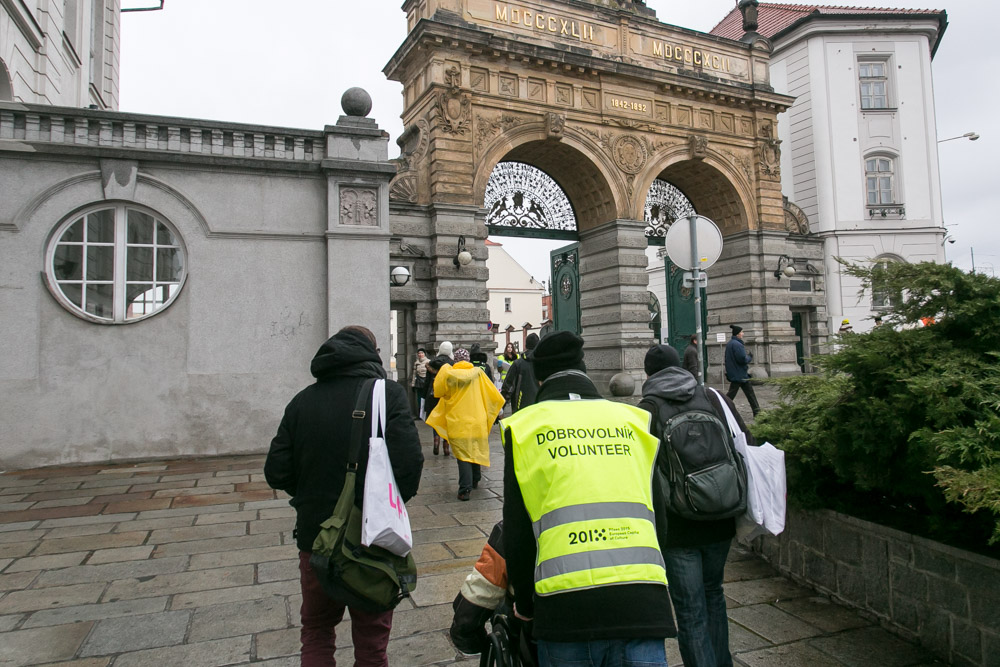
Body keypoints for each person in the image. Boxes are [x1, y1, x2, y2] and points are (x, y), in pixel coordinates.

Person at [502, 331, 676, 667]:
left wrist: (524, 605)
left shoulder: (525, 429)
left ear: (538, 377)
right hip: (642, 601)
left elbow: (519, 532)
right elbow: (660, 516)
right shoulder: (633, 421)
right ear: (584, 368)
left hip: (566, 609)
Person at [264, 325, 424, 667]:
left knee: (317, 631)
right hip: (373, 539)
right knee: (371, 643)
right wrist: (382, 504)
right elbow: (410, 466)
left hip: (316, 538)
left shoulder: (302, 401)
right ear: (373, 353)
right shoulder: (387, 395)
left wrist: (314, 495)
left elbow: (276, 471)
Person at [639, 344, 754, 667]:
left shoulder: (646, 408)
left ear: (648, 374)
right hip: (721, 515)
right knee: (714, 594)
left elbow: (642, 472)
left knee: (689, 610)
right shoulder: (715, 398)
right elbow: (746, 443)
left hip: (678, 526)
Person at [427, 347, 504, 500]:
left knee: (463, 454)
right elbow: (493, 394)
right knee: (474, 448)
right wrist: (498, 412)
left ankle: (464, 489)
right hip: (477, 419)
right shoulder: (478, 374)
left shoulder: (448, 374)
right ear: (468, 360)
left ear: (455, 360)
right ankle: (475, 479)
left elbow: (438, 391)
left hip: (458, 420)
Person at [425, 341, 455, 456]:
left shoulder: (431, 363)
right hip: (447, 396)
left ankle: (436, 440)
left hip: (433, 395)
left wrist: (424, 395)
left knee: (436, 418)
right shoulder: (452, 364)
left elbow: (427, 383)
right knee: (447, 420)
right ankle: (446, 445)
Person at [724, 325, 759, 417]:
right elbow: (742, 359)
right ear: (738, 334)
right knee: (739, 394)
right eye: (742, 332)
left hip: (737, 373)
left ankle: (758, 413)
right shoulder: (737, 344)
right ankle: (721, 408)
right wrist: (749, 357)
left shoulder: (730, 344)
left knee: (749, 394)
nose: (743, 334)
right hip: (740, 374)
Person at [500, 333, 540, 413]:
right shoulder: (543, 363)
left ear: (525, 346)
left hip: (520, 410)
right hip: (540, 409)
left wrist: (500, 409)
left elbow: (508, 387)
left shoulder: (518, 364)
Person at [411, 348, 428, 419]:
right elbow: (414, 374)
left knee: (426, 399)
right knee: (419, 399)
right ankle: (420, 415)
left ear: (424, 354)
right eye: (419, 353)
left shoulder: (428, 362)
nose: (420, 355)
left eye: (422, 353)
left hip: (426, 382)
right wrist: (413, 384)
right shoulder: (416, 363)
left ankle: (426, 414)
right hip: (418, 383)